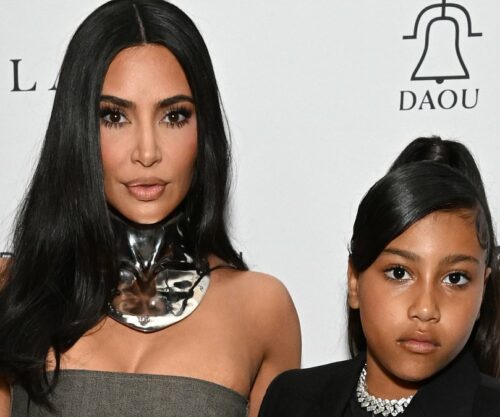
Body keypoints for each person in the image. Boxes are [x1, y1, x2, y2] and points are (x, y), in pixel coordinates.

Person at [0, 1, 300, 416]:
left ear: (204, 129)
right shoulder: (16, 291)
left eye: (173, 116)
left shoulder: (261, 309)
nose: (147, 152)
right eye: (114, 117)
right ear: (77, 129)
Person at [258, 138, 500, 417]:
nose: (425, 309)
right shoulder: (291, 398)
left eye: (455, 278)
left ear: (483, 289)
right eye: (399, 273)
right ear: (354, 281)